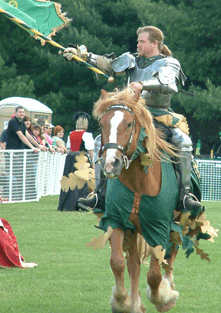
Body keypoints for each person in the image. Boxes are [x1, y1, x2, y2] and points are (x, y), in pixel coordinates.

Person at [63, 25, 201, 211]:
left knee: (182, 140)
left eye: (142, 41)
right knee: (99, 142)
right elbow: (108, 65)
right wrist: (83, 56)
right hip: (132, 114)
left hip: (158, 115)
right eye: (138, 41)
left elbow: (167, 83)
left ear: (155, 43)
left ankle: (185, 195)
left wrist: (142, 84)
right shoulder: (131, 60)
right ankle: (99, 193)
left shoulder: (169, 63)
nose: (138, 45)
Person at [57, 112, 94, 211]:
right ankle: (81, 201)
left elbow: (69, 147)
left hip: (70, 158)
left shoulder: (71, 134)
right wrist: (93, 162)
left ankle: (67, 203)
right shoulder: (87, 135)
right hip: (81, 157)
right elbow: (90, 150)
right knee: (83, 180)